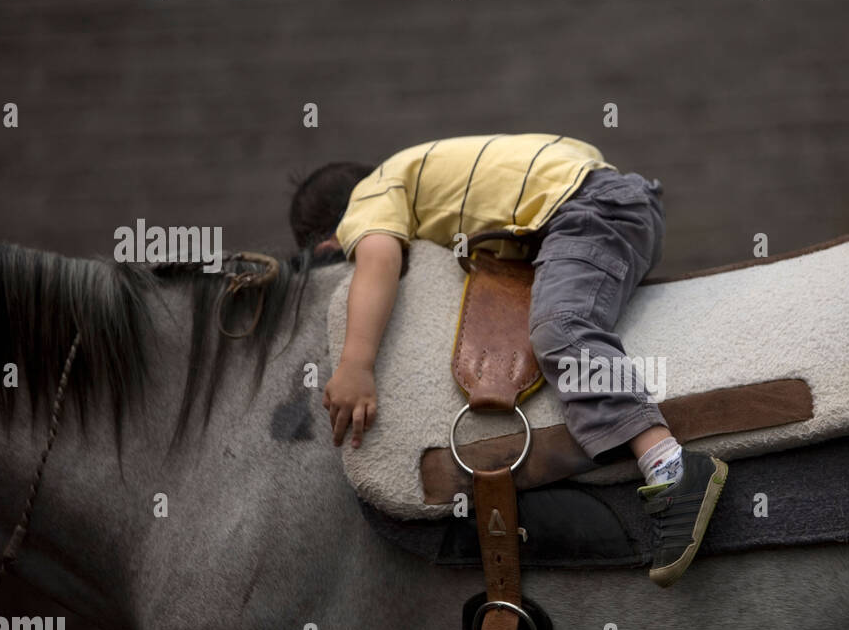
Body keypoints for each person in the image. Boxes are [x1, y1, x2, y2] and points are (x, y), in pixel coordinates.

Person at [290, 133, 725, 585]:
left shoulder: (373, 193)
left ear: (329, 245)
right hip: (610, 201)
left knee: (561, 327)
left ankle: (670, 467)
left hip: (590, 209)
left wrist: (355, 365)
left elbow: (377, 261)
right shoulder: (432, 174)